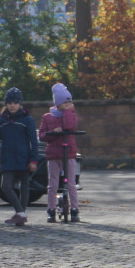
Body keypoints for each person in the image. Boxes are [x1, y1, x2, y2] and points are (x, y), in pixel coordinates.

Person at [0, 87, 38, 226]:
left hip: (23, 158)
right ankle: (20, 213)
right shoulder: (2, 121)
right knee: (5, 186)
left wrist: (33, 160)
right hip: (8, 158)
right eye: (9, 102)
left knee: (24, 186)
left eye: (15, 102)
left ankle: (21, 214)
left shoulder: (27, 120)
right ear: (6, 104)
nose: (12, 105)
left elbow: (33, 142)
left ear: (20, 104)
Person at [39, 83, 81, 223]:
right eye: (65, 102)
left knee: (71, 183)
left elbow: (70, 126)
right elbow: (42, 136)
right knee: (53, 184)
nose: (69, 104)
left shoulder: (71, 114)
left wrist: (67, 111)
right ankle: (51, 209)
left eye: (70, 101)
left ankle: (74, 209)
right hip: (54, 154)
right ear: (58, 103)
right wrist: (52, 133)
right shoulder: (47, 117)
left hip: (68, 153)